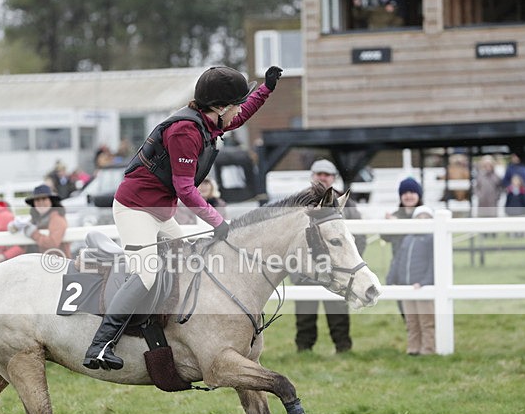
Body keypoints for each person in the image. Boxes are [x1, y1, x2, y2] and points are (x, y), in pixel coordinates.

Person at [82, 64, 283, 371]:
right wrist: (219, 223)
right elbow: (185, 189)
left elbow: (239, 117)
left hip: (160, 212)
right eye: (236, 103)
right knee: (147, 274)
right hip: (135, 209)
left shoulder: (208, 121)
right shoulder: (185, 131)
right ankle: (100, 345)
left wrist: (265, 91)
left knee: (190, 263)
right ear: (219, 107)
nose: (238, 110)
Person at [293, 159, 366, 354]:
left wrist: (349, 265)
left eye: (327, 175)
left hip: (338, 269)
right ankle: (304, 349)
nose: (323, 178)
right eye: (319, 174)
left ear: (334, 178)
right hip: (307, 270)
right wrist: (296, 270)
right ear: (312, 176)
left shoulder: (346, 204)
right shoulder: (300, 203)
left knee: (338, 310)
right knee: (305, 312)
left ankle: (343, 347)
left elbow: (358, 237)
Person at [387, 205, 436, 355]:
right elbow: (398, 260)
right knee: (411, 321)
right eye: (418, 218)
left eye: (426, 218)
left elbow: (433, 264)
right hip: (407, 287)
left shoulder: (431, 239)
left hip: (422, 287)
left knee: (426, 321)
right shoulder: (407, 239)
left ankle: (428, 348)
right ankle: (413, 348)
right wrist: (392, 278)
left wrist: (425, 282)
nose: (422, 221)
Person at [383, 177, 425, 320]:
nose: (408, 195)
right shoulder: (395, 215)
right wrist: (386, 224)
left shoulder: (425, 214)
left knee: (423, 312)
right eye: (405, 192)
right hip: (399, 267)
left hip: (421, 269)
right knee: (405, 312)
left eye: (412, 192)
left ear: (419, 195)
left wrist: (398, 223)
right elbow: (384, 237)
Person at [10, 184, 71, 258]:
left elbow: (52, 243)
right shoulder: (35, 219)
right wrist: (17, 228)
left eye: (44, 199)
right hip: (39, 262)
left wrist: (33, 233)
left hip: (56, 263)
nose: (41, 202)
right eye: (37, 200)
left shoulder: (57, 218)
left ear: (51, 201)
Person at [503, 153, 525, 218]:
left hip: (521, 208)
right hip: (511, 208)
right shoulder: (509, 168)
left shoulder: (524, 169)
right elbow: (505, 181)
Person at [473, 155, 502, 219]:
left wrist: (496, 197)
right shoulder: (479, 175)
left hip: (492, 203)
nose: (488, 166)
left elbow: (499, 189)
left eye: (489, 164)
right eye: (486, 164)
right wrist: (480, 196)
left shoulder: (496, 176)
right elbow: (476, 188)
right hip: (482, 203)